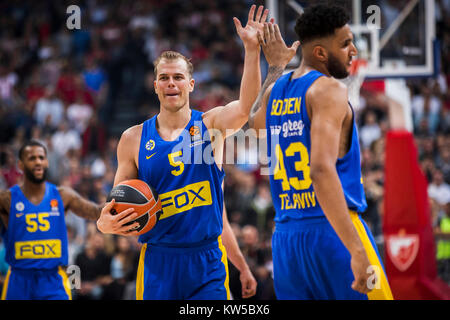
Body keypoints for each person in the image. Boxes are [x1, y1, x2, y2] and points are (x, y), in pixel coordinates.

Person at [97, 5, 275, 300]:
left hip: (207, 262)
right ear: (155, 86)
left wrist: (252, 50)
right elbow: (117, 208)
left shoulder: (211, 124)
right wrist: (105, 224)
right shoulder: (132, 139)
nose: (171, 84)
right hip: (158, 261)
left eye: (178, 77)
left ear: (190, 84)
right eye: (164, 78)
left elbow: (247, 108)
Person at [248, 4, 393, 300]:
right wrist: (356, 250)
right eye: (345, 43)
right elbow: (321, 170)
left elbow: (254, 120)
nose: (354, 50)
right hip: (334, 232)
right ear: (320, 53)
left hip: (287, 239)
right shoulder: (328, 90)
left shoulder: (278, 89)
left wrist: (275, 67)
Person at [0, 140, 103, 300]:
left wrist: (125, 204)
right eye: (32, 158)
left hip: (53, 279)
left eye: (41, 157)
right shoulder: (7, 199)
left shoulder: (63, 195)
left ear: (47, 162)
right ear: (20, 164)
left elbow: (96, 212)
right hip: (19, 278)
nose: (38, 162)